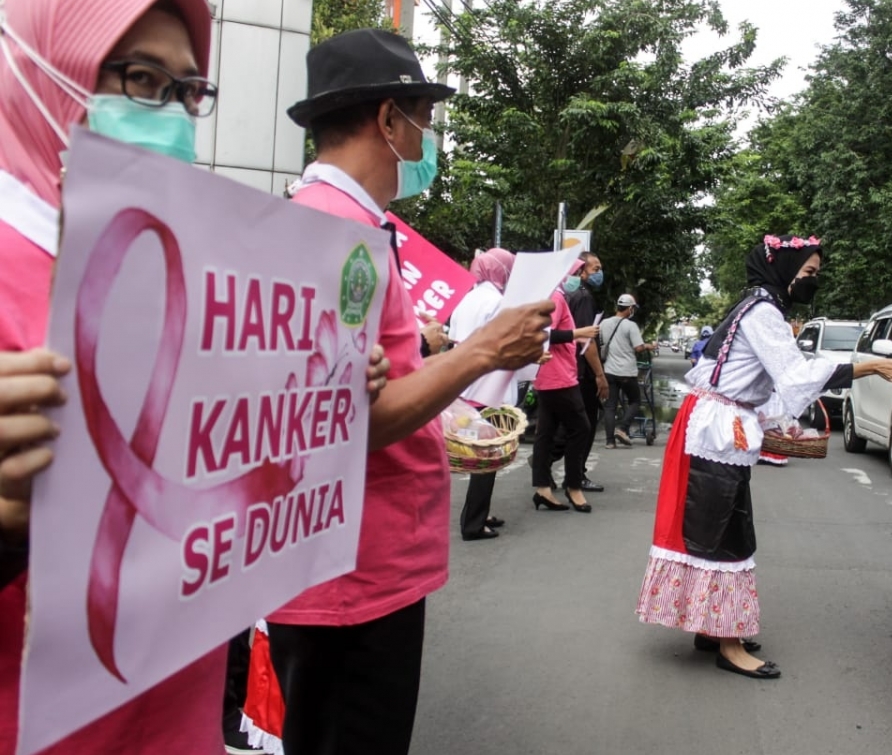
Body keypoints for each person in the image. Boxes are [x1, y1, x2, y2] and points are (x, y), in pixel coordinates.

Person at [265, 29, 552, 755]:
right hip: (351, 577)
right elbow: (356, 420)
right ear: (390, 121)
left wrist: (424, 348)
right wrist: (481, 351)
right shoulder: (337, 232)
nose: (427, 137)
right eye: (422, 117)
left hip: (351, 566)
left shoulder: (348, 224)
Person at [0, 2, 228, 751]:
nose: (171, 115)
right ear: (44, 71)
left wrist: (320, 388)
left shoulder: (194, 259)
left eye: (189, 91)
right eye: (139, 78)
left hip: (176, 709)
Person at [635, 234, 892, 679]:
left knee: (714, 523)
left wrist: (773, 420)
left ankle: (712, 626)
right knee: (726, 531)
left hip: (717, 427)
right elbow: (796, 377)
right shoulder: (763, 312)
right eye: (808, 273)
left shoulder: (758, 306)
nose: (812, 282)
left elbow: (756, 380)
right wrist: (871, 365)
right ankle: (728, 642)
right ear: (784, 271)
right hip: (717, 431)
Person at [448, 247, 519, 541]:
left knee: (481, 454)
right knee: (488, 456)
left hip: (466, 383)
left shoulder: (468, 299)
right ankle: (474, 524)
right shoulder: (497, 302)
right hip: (488, 384)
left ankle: (478, 513)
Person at [530, 259, 599, 512]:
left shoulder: (551, 296)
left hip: (549, 374)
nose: (576, 276)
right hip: (558, 375)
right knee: (580, 427)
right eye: (573, 272)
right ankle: (573, 486)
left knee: (545, 432)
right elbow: (545, 334)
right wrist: (578, 333)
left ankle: (543, 488)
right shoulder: (556, 298)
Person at [548, 251, 609, 492]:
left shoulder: (568, 296)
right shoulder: (583, 297)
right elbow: (587, 340)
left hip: (564, 367)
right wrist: (600, 374)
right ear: (581, 271)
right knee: (584, 425)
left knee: (563, 422)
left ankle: (545, 462)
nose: (599, 273)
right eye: (595, 268)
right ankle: (575, 475)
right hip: (581, 370)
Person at [600, 294, 655, 448]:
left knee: (610, 406)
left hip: (609, 370)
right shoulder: (630, 326)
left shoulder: (604, 323)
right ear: (630, 308)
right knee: (635, 401)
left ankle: (610, 442)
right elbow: (638, 347)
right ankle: (623, 428)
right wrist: (649, 346)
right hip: (626, 372)